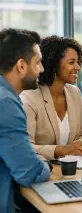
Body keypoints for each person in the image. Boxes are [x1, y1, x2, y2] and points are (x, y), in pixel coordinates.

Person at [0, 28, 50, 213]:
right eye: (38, 63)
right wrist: (44, 164)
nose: (42, 69)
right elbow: (28, 173)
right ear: (21, 66)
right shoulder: (6, 104)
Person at [20, 36, 82, 160]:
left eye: (78, 62)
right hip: (42, 170)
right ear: (53, 64)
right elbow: (24, 147)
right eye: (71, 62)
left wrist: (78, 147)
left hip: (73, 168)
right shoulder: (29, 98)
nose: (78, 67)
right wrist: (61, 150)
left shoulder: (74, 93)